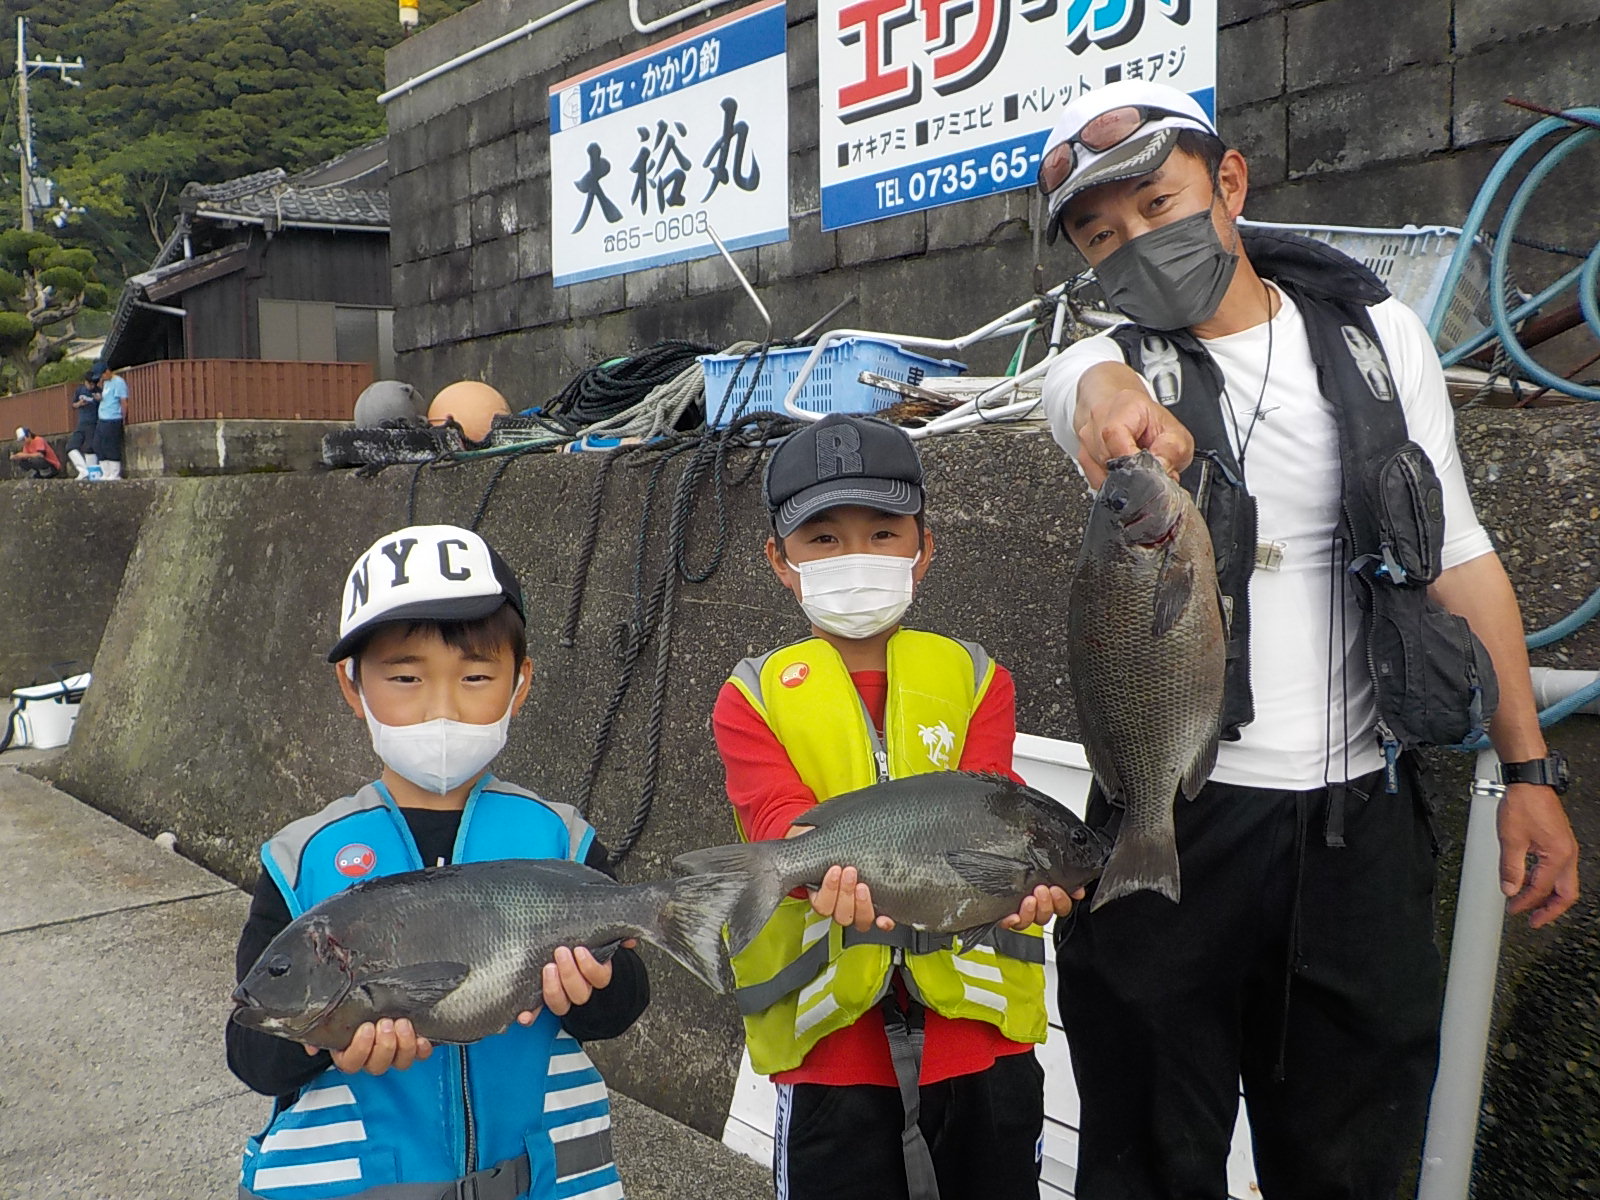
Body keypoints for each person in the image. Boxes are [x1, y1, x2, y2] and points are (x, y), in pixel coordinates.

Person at [1036, 80, 1580, 1199]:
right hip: (1175, 823)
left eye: (1157, 205)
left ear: (1229, 181)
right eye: (1100, 236)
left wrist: (1525, 768)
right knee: (1144, 1156)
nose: (1133, 244)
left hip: (1360, 828)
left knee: (1353, 1158)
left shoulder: (1379, 336)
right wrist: (1101, 394)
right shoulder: (1110, 367)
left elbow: (1461, 556)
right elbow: (1080, 395)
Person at [712, 413, 1075, 1200]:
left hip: (980, 1045)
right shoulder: (750, 697)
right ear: (781, 561)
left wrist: (1022, 888)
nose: (857, 558)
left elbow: (994, 816)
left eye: (883, 533)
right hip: (831, 1053)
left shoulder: (981, 677)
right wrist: (809, 873)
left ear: (924, 547)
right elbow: (775, 822)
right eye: (825, 540)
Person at [226, 523, 647, 1200]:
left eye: (476, 675)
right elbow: (251, 1050)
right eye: (405, 677)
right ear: (352, 685)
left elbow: (623, 1002)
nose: (442, 707)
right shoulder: (300, 859)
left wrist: (593, 985)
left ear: (519, 684)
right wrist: (319, 1041)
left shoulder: (561, 841)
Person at [65, 367, 100, 478]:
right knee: (71, 446)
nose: (92, 386)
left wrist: (99, 399)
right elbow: (73, 405)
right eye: (90, 383)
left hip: (93, 423)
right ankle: (83, 470)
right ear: (85, 382)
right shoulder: (80, 390)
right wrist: (80, 403)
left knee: (89, 448)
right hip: (82, 423)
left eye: (94, 383)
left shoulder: (98, 392)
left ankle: (92, 472)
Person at [94, 364, 127, 479]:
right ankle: (106, 471)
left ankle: (115, 472)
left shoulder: (118, 382)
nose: (102, 377)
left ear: (107, 371)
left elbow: (123, 400)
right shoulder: (106, 383)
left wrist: (124, 416)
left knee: (111, 446)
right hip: (102, 417)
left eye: (102, 374)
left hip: (113, 418)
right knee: (98, 445)